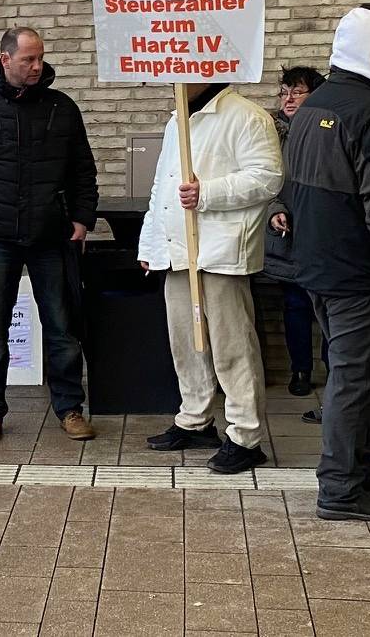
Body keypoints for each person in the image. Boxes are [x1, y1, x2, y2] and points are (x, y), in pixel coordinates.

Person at [283, 6, 370, 522]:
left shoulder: (317, 103)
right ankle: (339, 489)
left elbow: (294, 191)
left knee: (357, 374)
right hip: (360, 274)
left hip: (318, 269)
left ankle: (359, 470)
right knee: (355, 380)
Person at [0, 27, 99, 445]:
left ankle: (69, 408)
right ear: (5, 59)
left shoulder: (62, 108)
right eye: (28, 59)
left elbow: (83, 169)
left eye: (40, 58)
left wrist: (84, 218)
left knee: (62, 326)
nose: (37, 66)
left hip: (52, 236)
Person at [138, 81, 283, 474]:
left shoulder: (247, 116)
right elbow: (162, 189)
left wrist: (208, 193)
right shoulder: (177, 121)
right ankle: (196, 418)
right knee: (185, 341)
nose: (172, 81)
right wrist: (150, 245)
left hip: (220, 251)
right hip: (177, 250)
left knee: (231, 346)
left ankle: (246, 436)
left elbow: (268, 177)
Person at [265, 66, 324, 397]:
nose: (288, 99)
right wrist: (276, 211)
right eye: (284, 92)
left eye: (296, 92)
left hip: (323, 232)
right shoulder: (270, 132)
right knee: (296, 305)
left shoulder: (325, 128)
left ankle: (335, 372)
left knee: (329, 306)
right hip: (288, 235)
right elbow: (264, 181)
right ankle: (300, 370)